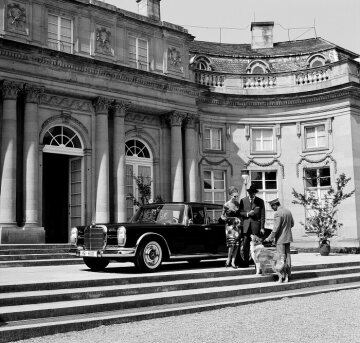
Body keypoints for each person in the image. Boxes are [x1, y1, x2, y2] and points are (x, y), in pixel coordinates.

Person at [264, 198, 294, 278]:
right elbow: (292, 224)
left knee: (281, 257)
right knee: (287, 256)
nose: (272, 208)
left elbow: (276, 228)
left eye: (272, 206)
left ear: (275, 205)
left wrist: (269, 238)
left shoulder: (278, 213)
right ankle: (288, 273)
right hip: (288, 238)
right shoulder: (288, 211)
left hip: (280, 239)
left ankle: (283, 275)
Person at [239, 184, 265, 267]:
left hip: (256, 226)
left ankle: (257, 264)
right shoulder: (243, 200)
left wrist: (262, 227)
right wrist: (247, 214)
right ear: (249, 193)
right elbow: (239, 212)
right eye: (251, 193)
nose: (252, 195)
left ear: (255, 193)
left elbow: (262, 215)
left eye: (254, 193)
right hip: (246, 226)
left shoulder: (260, 201)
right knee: (245, 244)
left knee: (257, 246)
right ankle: (246, 262)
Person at [220, 186, 241, 269]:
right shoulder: (226, 204)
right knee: (231, 244)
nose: (236, 198)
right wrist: (226, 219)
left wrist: (239, 221)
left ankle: (233, 262)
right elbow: (222, 215)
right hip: (230, 226)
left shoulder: (237, 204)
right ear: (231, 195)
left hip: (237, 226)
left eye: (237, 196)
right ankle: (228, 260)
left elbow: (239, 214)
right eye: (234, 196)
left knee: (236, 245)